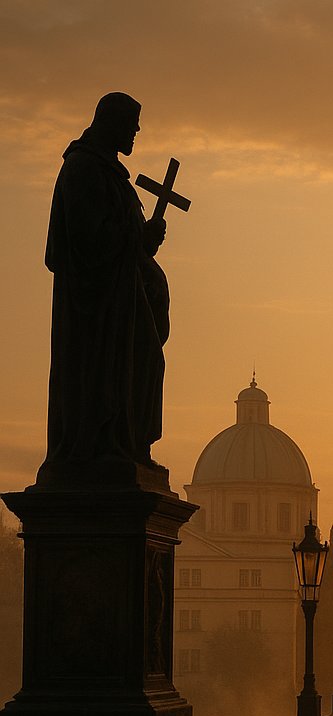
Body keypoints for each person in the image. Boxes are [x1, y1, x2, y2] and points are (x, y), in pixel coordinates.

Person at [42, 92, 170, 479]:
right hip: (95, 309)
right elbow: (86, 239)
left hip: (121, 300)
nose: (137, 132)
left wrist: (143, 249)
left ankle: (129, 444)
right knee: (126, 364)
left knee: (146, 359)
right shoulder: (83, 168)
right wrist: (138, 239)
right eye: (132, 126)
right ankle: (101, 445)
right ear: (111, 123)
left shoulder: (108, 173)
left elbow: (119, 238)